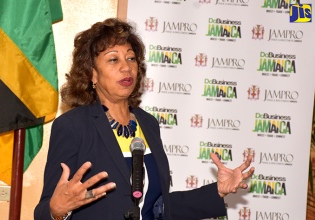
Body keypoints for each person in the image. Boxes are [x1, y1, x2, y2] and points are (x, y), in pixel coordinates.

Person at [34, 18, 254, 220]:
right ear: (92, 74)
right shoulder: (73, 126)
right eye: (113, 59)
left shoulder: (148, 123)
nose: (125, 66)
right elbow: (45, 210)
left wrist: (217, 190)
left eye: (131, 58)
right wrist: (56, 211)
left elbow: (157, 206)